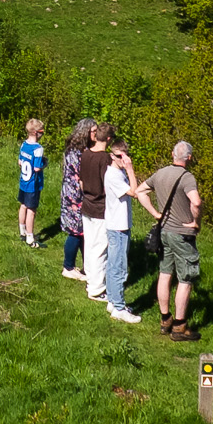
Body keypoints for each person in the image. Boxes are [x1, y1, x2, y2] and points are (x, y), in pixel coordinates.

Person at [141, 139, 205, 338]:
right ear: (190, 158)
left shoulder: (161, 173)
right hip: (182, 234)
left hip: (165, 232)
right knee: (185, 278)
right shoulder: (187, 178)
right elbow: (196, 202)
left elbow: (140, 191)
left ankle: (165, 318)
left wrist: (155, 213)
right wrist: (195, 221)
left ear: (172, 154)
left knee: (165, 273)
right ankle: (179, 326)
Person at [94, 135, 144, 324]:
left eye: (126, 156)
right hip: (118, 227)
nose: (124, 160)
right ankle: (119, 307)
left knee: (115, 264)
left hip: (119, 224)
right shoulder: (114, 175)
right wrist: (131, 170)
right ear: (112, 156)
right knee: (119, 267)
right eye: (120, 156)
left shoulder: (116, 173)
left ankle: (113, 302)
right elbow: (134, 192)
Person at [59, 123, 97, 283]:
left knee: (82, 231)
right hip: (74, 195)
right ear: (85, 132)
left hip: (75, 193)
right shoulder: (77, 152)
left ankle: (85, 266)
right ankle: (68, 267)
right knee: (75, 231)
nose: (96, 134)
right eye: (93, 131)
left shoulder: (77, 149)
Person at [15, 117, 48, 249]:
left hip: (23, 181)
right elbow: (37, 168)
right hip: (33, 184)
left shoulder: (24, 144)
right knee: (31, 210)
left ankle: (22, 230)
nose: (42, 135)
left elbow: (20, 162)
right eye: (42, 132)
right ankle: (30, 237)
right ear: (36, 133)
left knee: (23, 205)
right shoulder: (38, 148)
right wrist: (45, 163)